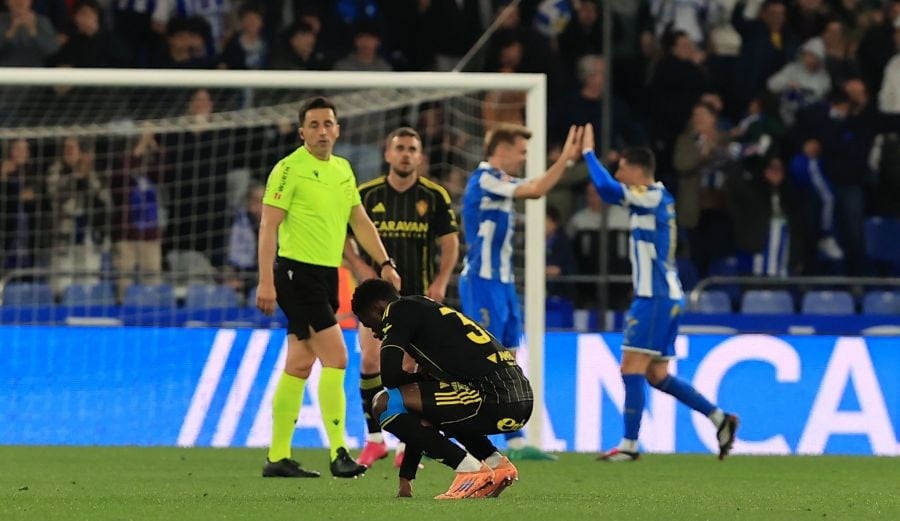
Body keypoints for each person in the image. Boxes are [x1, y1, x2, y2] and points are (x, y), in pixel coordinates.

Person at [256, 96, 401, 479]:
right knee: (337, 357)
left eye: (328, 124)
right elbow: (269, 225)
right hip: (294, 275)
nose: (322, 131)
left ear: (338, 129)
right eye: (314, 125)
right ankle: (339, 452)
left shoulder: (343, 170)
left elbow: (360, 220)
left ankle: (277, 457)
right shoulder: (288, 169)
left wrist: (384, 262)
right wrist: (266, 280)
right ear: (302, 131)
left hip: (324, 277)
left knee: (299, 364)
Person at [580, 123, 739, 461]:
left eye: (622, 166)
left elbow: (607, 191)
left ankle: (629, 445)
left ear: (638, 170)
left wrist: (587, 155)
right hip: (664, 295)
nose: (618, 171)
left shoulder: (651, 195)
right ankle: (719, 418)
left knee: (630, 368)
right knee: (657, 375)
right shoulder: (652, 200)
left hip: (654, 297)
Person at [458, 122, 583, 461]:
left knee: (508, 360)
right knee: (483, 361)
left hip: (502, 284)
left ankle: (514, 438)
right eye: (522, 151)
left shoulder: (503, 183)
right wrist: (566, 160)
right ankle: (451, 429)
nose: (524, 158)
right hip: (482, 283)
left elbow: (530, 186)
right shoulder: (484, 178)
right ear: (502, 150)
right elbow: (537, 189)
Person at [343, 127, 459, 469]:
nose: (406, 154)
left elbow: (450, 242)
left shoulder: (435, 196)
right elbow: (343, 240)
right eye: (400, 148)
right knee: (369, 362)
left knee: (412, 369)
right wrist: (361, 268)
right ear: (387, 154)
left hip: (418, 298)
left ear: (420, 156)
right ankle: (374, 440)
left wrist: (441, 281)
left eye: (412, 148)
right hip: (377, 301)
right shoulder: (366, 194)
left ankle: (406, 445)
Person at [351, 278, 529, 499]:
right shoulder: (427, 315)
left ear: (379, 308)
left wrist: (415, 379)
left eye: (371, 325)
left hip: (494, 398)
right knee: (435, 403)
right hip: (517, 399)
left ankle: (470, 469)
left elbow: (389, 377)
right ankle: (497, 465)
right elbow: (422, 412)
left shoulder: (397, 311)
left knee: (383, 403)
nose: (376, 334)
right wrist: (406, 478)